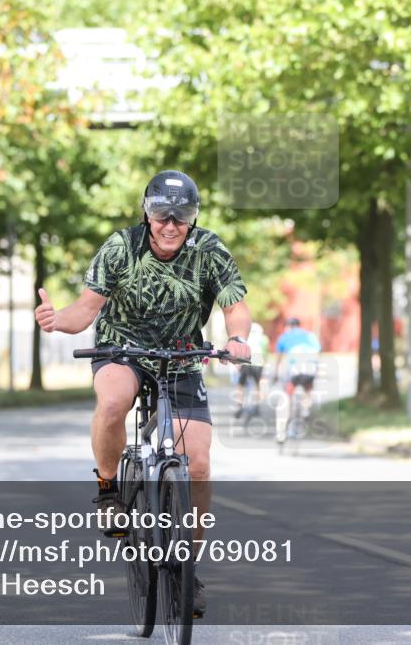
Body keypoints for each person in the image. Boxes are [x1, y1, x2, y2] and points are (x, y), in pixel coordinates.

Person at [34, 170, 252, 618]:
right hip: (123, 348)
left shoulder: (208, 249)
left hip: (183, 356)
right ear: (147, 213)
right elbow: (86, 308)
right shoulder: (120, 247)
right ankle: (110, 489)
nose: (171, 224)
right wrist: (58, 320)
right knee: (113, 402)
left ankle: (187, 567)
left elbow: (235, 306)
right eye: (161, 214)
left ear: (193, 219)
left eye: (182, 216)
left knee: (200, 462)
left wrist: (238, 339)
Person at [273, 317, 321, 442]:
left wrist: (275, 374)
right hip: (310, 366)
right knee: (308, 389)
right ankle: (306, 409)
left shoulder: (284, 336)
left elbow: (279, 359)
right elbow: (317, 353)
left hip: (295, 367)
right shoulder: (310, 335)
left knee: (285, 398)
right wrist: (317, 371)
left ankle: (281, 433)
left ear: (288, 326)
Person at [234, 322, 268, 417]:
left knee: (240, 385)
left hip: (246, 360)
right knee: (257, 385)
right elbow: (265, 353)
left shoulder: (244, 338)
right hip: (258, 361)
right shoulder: (263, 339)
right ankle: (257, 406)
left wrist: (238, 364)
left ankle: (239, 405)